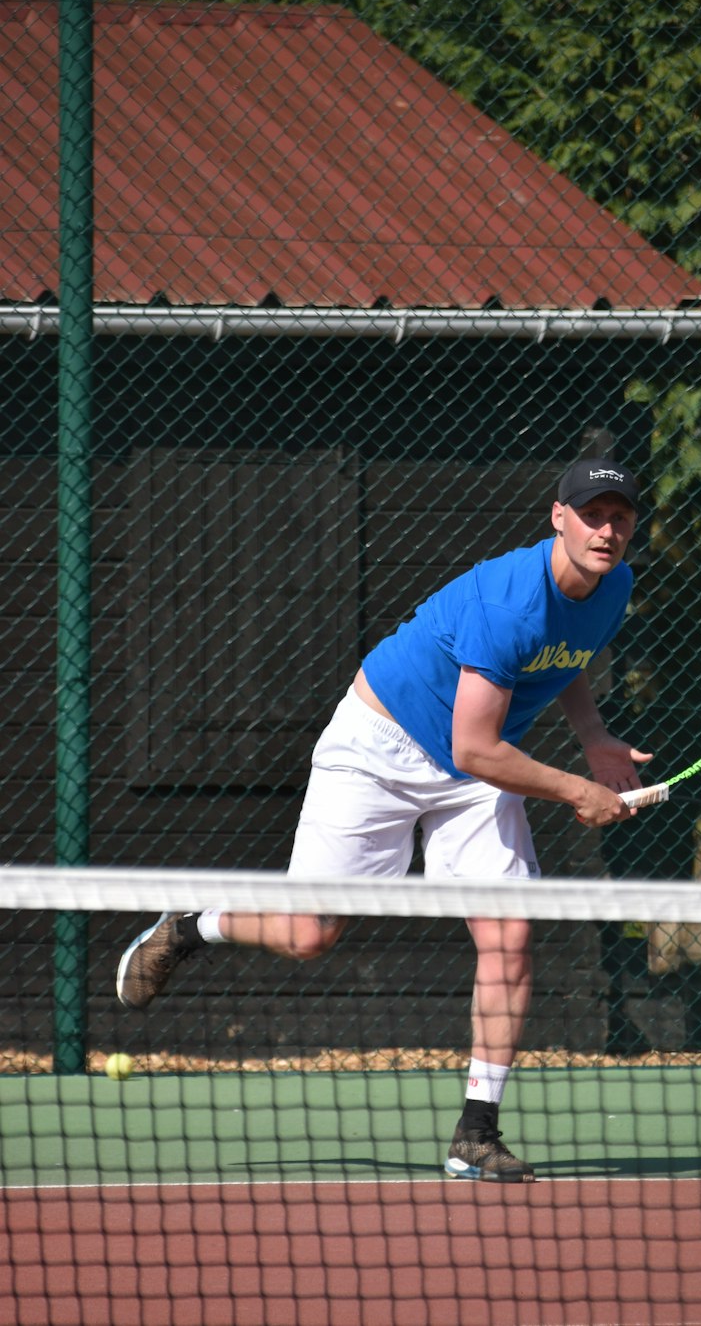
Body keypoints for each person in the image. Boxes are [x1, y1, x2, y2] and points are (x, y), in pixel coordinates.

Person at [116, 458, 652, 1182]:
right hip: (384, 741)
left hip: (475, 767)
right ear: (559, 517)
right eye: (593, 514)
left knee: (511, 931)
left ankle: (475, 1131)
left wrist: (592, 737)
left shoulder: (612, 584)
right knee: (311, 933)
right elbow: (475, 743)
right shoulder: (510, 601)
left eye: (620, 516)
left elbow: (567, 657)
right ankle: (190, 925)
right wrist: (576, 789)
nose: (608, 529)